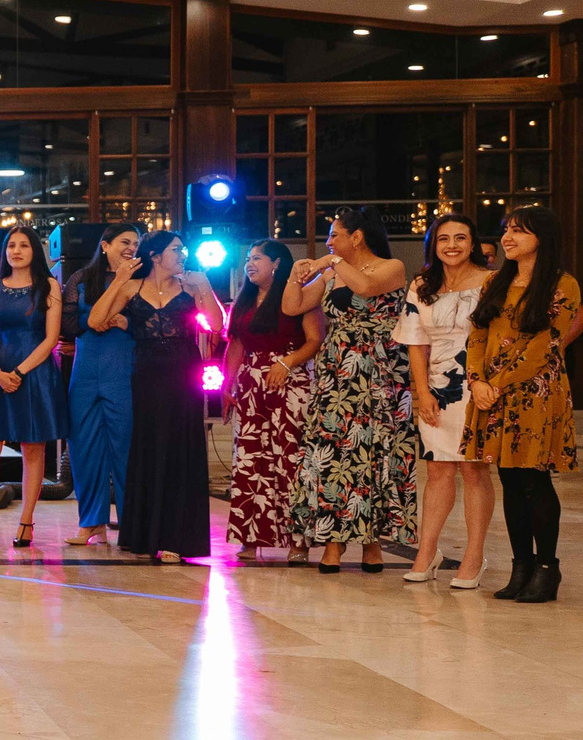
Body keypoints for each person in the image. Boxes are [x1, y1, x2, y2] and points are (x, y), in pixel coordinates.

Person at [283, 206, 416, 572]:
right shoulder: (332, 274)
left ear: (356, 236)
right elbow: (292, 306)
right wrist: (296, 275)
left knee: (373, 453)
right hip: (336, 375)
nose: (329, 243)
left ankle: (372, 543)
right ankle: (333, 542)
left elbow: (367, 287)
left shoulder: (392, 268)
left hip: (377, 372)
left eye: (334, 235)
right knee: (334, 455)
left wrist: (329, 261)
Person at [463, 205, 581, 603]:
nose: (507, 238)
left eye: (519, 231)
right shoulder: (496, 281)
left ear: (542, 238)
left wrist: (496, 382)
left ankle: (547, 569)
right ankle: (521, 566)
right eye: (507, 230)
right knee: (510, 481)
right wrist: (476, 380)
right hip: (491, 393)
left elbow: (543, 346)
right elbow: (477, 333)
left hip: (535, 393)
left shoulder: (563, 285)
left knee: (534, 479)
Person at [91, 230, 221, 563]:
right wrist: (119, 280)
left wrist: (205, 287)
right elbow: (96, 319)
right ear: (156, 255)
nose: (183, 254)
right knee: (149, 446)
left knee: (181, 448)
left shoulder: (191, 286)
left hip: (184, 375)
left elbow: (217, 325)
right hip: (146, 375)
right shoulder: (133, 287)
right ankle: (146, 536)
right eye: (177, 249)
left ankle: (178, 538)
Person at [393, 213, 493, 587]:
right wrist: (422, 392)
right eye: (444, 238)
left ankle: (474, 555)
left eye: (460, 238)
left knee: (474, 469)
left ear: (473, 243)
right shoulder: (422, 285)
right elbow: (415, 340)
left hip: (479, 386)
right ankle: (427, 550)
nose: (452, 245)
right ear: (433, 245)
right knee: (437, 471)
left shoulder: (491, 282)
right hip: (437, 387)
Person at [0, 224, 67, 547]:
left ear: (34, 251)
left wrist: (20, 372)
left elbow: (52, 338)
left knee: (32, 447)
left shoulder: (49, 285)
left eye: (24, 245)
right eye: (11, 245)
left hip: (35, 372)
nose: (16, 251)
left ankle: (26, 521)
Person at [222, 241, 320, 562]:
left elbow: (314, 340)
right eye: (248, 259)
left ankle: (298, 541)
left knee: (289, 459)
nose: (249, 264)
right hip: (252, 385)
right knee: (250, 459)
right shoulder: (246, 299)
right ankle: (250, 538)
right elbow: (236, 343)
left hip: (290, 383)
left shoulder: (298, 294)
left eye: (257, 259)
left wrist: (286, 363)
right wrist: (227, 384)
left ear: (277, 263)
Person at [65, 222, 141, 546]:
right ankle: (91, 522)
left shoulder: (141, 281)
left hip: (122, 368)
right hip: (84, 371)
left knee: (125, 448)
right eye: (125, 241)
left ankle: (131, 522)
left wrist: (125, 321)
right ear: (106, 245)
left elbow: (152, 323)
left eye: (136, 244)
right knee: (84, 448)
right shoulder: (80, 278)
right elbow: (68, 322)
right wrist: (91, 322)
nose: (131, 248)